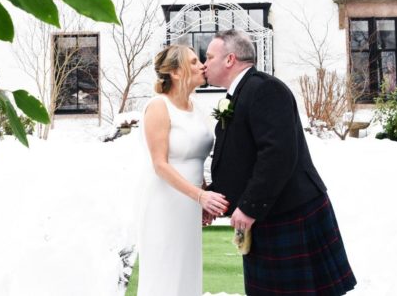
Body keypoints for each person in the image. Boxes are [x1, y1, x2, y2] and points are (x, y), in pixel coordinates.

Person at [204, 29, 357, 296]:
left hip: (290, 211)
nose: (204, 64)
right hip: (272, 211)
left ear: (229, 59)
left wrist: (249, 208)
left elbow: (278, 155)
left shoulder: (264, 89)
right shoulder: (242, 92)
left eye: (209, 56)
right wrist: (218, 198)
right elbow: (240, 158)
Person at [137, 45, 229, 296]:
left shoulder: (197, 108)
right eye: (194, 61)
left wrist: (204, 196)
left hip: (189, 205)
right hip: (164, 203)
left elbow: (196, 159)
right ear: (176, 73)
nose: (202, 65)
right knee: (164, 271)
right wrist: (199, 196)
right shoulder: (158, 106)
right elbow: (160, 164)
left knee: (186, 271)